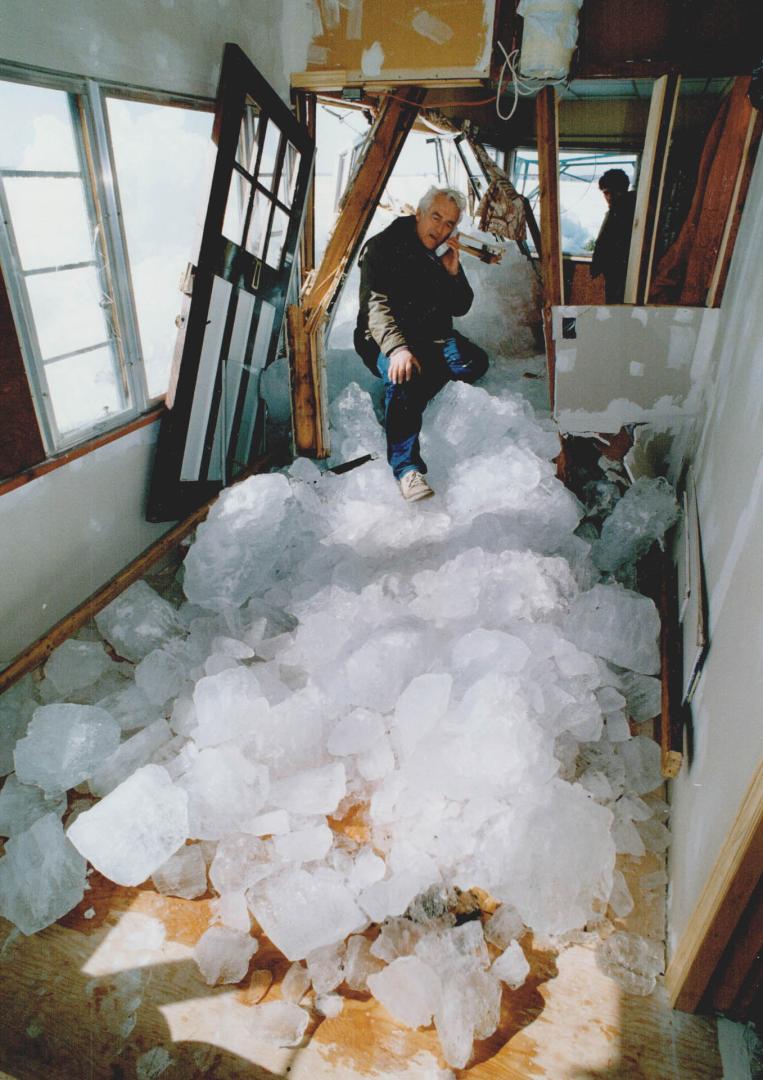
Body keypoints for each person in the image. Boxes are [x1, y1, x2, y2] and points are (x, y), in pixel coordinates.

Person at [354, 186, 488, 502]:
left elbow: (460, 306)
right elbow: (377, 307)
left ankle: (406, 394)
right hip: (384, 339)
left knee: (473, 362)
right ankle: (406, 469)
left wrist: (454, 273)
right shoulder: (383, 248)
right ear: (419, 213)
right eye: (436, 217)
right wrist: (397, 350)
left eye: (448, 223)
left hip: (430, 337)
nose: (440, 228)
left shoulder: (441, 250)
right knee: (406, 377)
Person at [590, 168, 637, 304]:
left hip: (621, 274)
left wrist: (597, 265)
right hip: (613, 272)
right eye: (606, 193)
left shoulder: (625, 211)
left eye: (613, 192)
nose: (609, 197)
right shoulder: (618, 210)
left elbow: (606, 243)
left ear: (623, 189)